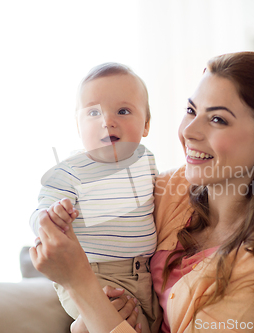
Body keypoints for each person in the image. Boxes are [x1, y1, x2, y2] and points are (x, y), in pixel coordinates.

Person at [30, 52, 254, 333]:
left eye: (218, 119)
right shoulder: (172, 192)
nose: (189, 131)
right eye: (191, 110)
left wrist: (80, 284)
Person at [29, 63, 160, 333]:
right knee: (133, 327)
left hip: (144, 273)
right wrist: (51, 216)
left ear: (146, 125)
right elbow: (39, 213)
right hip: (94, 274)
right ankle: (83, 327)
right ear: (78, 126)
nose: (107, 121)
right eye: (93, 112)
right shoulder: (70, 170)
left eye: (123, 111)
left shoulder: (145, 160)